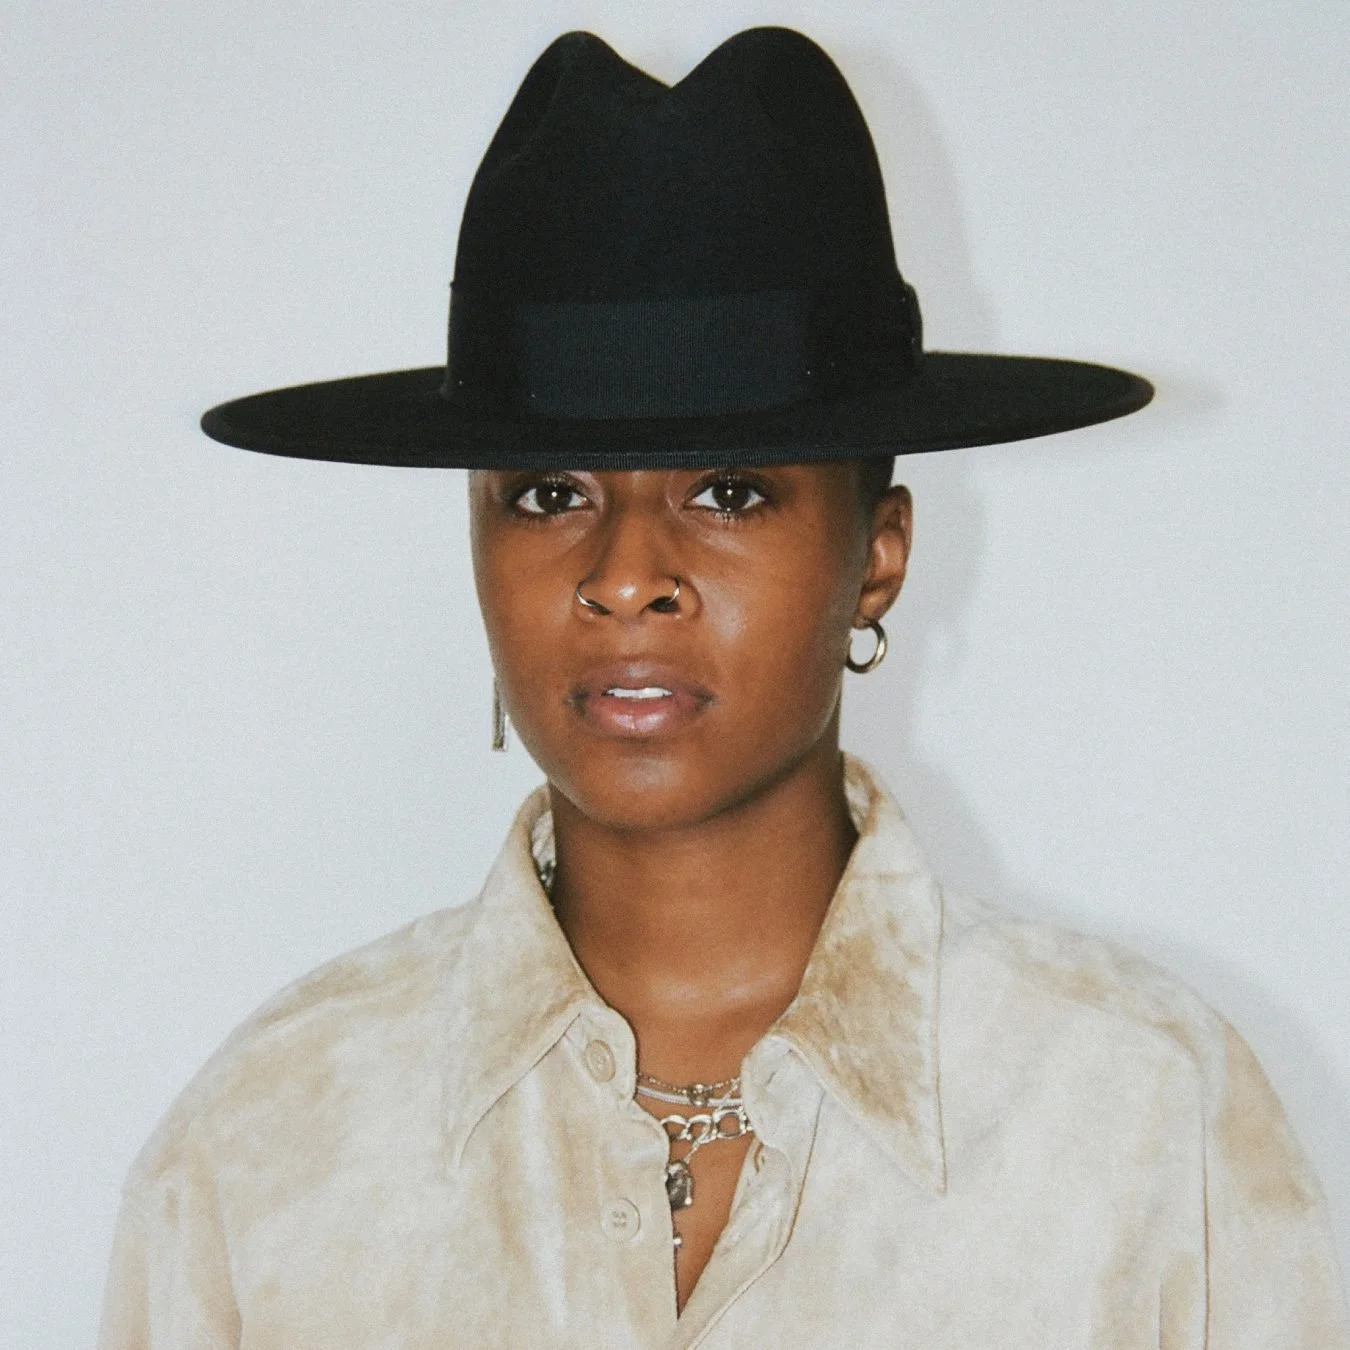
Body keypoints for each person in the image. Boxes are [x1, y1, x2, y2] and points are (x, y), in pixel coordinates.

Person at [98, 27, 1348, 1349]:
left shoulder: (1135, 1119)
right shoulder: (269, 1145)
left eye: (730, 490)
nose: (626, 575)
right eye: (546, 495)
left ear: (877, 554)